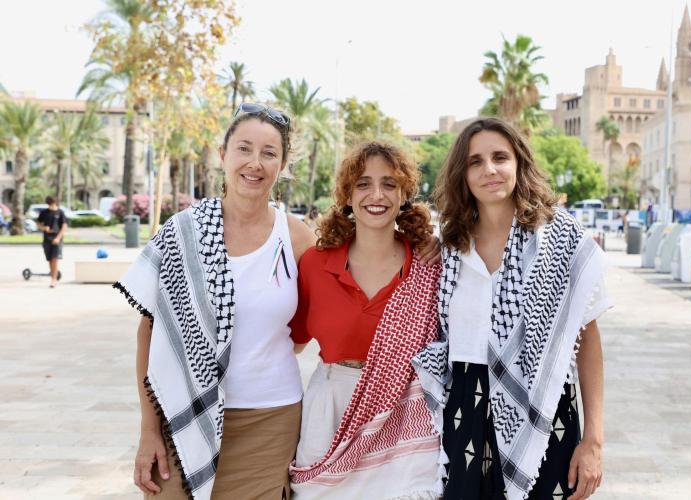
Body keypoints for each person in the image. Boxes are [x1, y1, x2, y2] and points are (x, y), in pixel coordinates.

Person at [114, 103, 316, 500]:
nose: (255, 163)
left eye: (269, 153)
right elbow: (149, 334)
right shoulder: (182, 232)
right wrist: (149, 429)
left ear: (282, 165)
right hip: (182, 413)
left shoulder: (296, 237)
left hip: (270, 419)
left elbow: (310, 324)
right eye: (244, 149)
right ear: (222, 155)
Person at [417, 118, 610, 500]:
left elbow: (586, 341)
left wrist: (594, 440)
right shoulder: (449, 247)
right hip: (465, 410)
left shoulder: (559, 240)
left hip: (544, 410)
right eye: (475, 161)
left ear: (519, 163)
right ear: (462, 174)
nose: (489, 169)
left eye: (500, 157)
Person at [289, 142, 444, 499]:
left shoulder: (428, 267)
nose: (377, 195)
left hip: (404, 418)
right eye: (363, 184)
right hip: (330, 412)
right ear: (347, 195)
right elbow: (292, 343)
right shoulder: (314, 264)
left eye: (389, 184)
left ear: (404, 195)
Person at [36, 196, 67, 288]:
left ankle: (54, 280)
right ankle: (53, 276)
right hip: (47, 239)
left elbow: (64, 227)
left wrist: (58, 238)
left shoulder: (60, 212)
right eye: (49, 204)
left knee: (55, 259)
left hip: (57, 238)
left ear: (55, 203)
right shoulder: (44, 212)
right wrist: (43, 228)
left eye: (52, 204)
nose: (51, 206)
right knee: (50, 260)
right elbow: (38, 223)